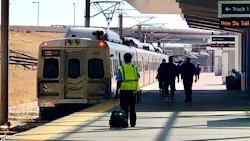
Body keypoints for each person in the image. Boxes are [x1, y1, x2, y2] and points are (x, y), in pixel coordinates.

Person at [116, 53, 140, 127]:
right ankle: (133, 123)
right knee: (132, 107)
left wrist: (117, 91)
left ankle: (125, 122)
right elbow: (138, 77)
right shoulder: (135, 68)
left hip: (124, 90)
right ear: (131, 59)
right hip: (133, 90)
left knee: (124, 107)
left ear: (124, 59)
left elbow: (119, 80)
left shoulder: (121, 68)